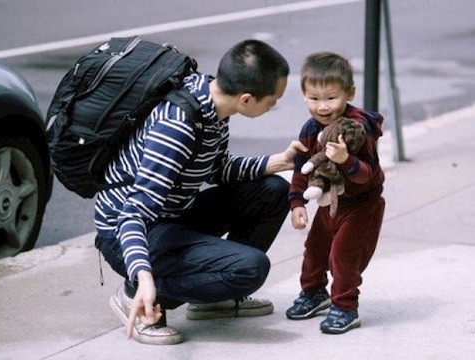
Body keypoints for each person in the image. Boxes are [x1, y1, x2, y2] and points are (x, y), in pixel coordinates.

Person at [94, 39, 307, 345]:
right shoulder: (176, 127)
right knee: (251, 269)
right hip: (126, 234)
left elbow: (217, 169)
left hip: (173, 215)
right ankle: (136, 295)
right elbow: (133, 214)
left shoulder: (213, 101)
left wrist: (279, 162)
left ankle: (211, 298)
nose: (274, 106)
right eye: (272, 100)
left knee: (274, 191)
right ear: (246, 99)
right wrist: (141, 275)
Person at [285, 51, 385, 334]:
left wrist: (346, 161)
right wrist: (296, 203)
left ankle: (345, 306)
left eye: (331, 98)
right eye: (314, 99)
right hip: (329, 205)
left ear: (349, 92)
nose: (322, 107)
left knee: (344, 256)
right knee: (314, 250)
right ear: (304, 95)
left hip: (361, 205)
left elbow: (370, 174)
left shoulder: (357, 128)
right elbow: (301, 166)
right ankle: (314, 293)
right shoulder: (311, 127)